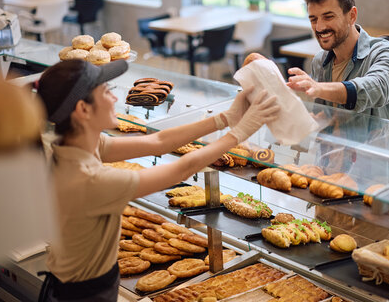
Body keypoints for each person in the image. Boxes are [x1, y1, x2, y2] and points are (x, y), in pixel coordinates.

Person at [35, 58, 279, 301]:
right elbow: (183, 169)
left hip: (78, 283)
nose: (114, 99)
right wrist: (238, 133)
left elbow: (158, 142)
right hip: (83, 295)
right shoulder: (89, 179)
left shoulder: (75, 145)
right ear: (83, 110)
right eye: (106, 91)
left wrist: (225, 118)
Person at [286, 0, 389, 123]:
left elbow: (375, 88)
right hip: (336, 145)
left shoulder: (388, 54)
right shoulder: (319, 61)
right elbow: (325, 115)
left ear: (352, 16)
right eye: (313, 19)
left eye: (328, 17)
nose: (319, 27)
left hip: (377, 145)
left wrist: (318, 88)